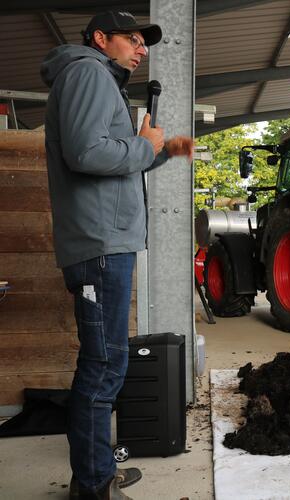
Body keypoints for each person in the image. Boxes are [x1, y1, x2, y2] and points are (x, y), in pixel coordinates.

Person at [41, 11, 194, 500]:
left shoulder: (97, 77)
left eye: (144, 42)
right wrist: (143, 145)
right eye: (133, 38)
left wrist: (162, 149)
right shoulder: (87, 72)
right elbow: (87, 155)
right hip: (99, 243)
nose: (141, 48)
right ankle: (93, 486)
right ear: (101, 38)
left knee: (105, 362)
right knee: (103, 366)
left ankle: (96, 469)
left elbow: (117, 155)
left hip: (107, 241)